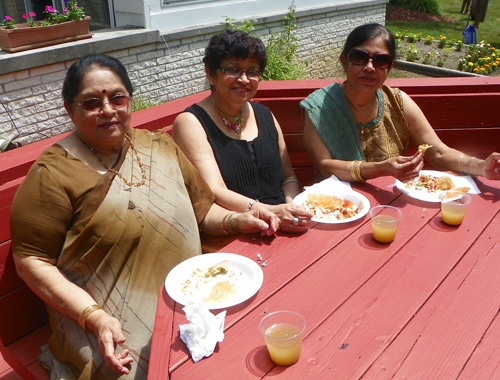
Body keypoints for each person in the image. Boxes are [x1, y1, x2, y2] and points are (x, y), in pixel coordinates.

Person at [10, 54, 279, 380]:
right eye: (91, 102)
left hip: (192, 298)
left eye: (117, 98)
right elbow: (31, 262)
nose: (108, 110)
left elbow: (203, 210)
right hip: (105, 321)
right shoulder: (52, 175)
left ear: (129, 101)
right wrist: (95, 318)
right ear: (70, 109)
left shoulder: (158, 146)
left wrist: (237, 220)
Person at [301, 23, 500, 184]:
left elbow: (438, 152)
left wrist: (481, 166)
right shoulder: (319, 107)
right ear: (345, 61)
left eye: (381, 60)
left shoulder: (398, 102)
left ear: (389, 67)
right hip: (334, 208)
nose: (370, 67)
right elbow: (324, 167)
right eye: (360, 57)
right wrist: (380, 168)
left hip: (391, 206)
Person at [172, 30, 312, 233]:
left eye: (252, 71)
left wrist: (291, 208)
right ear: (210, 73)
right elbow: (215, 189)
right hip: (235, 229)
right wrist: (272, 211)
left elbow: (288, 177)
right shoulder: (191, 123)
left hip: (283, 225)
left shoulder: (265, 114)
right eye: (233, 69)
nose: (244, 79)